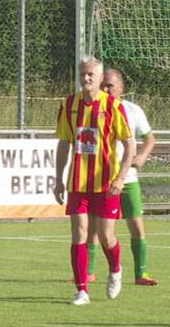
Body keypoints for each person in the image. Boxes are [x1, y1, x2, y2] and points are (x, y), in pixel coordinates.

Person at [54, 57, 136, 305]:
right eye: (82, 74)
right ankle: (82, 290)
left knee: (105, 236)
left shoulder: (113, 106)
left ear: (100, 78)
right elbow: (63, 143)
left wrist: (121, 178)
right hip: (78, 183)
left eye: (90, 74)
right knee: (79, 233)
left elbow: (129, 144)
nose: (86, 78)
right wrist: (58, 179)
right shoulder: (69, 105)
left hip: (106, 184)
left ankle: (115, 269)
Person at [85, 68, 159, 286]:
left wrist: (143, 155)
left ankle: (141, 274)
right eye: (103, 85)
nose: (106, 89)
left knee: (136, 224)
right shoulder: (92, 107)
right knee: (95, 228)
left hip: (128, 180)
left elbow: (150, 138)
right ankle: (88, 272)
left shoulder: (133, 110)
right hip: (102, 179)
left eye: (110, 85)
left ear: (121, 88)